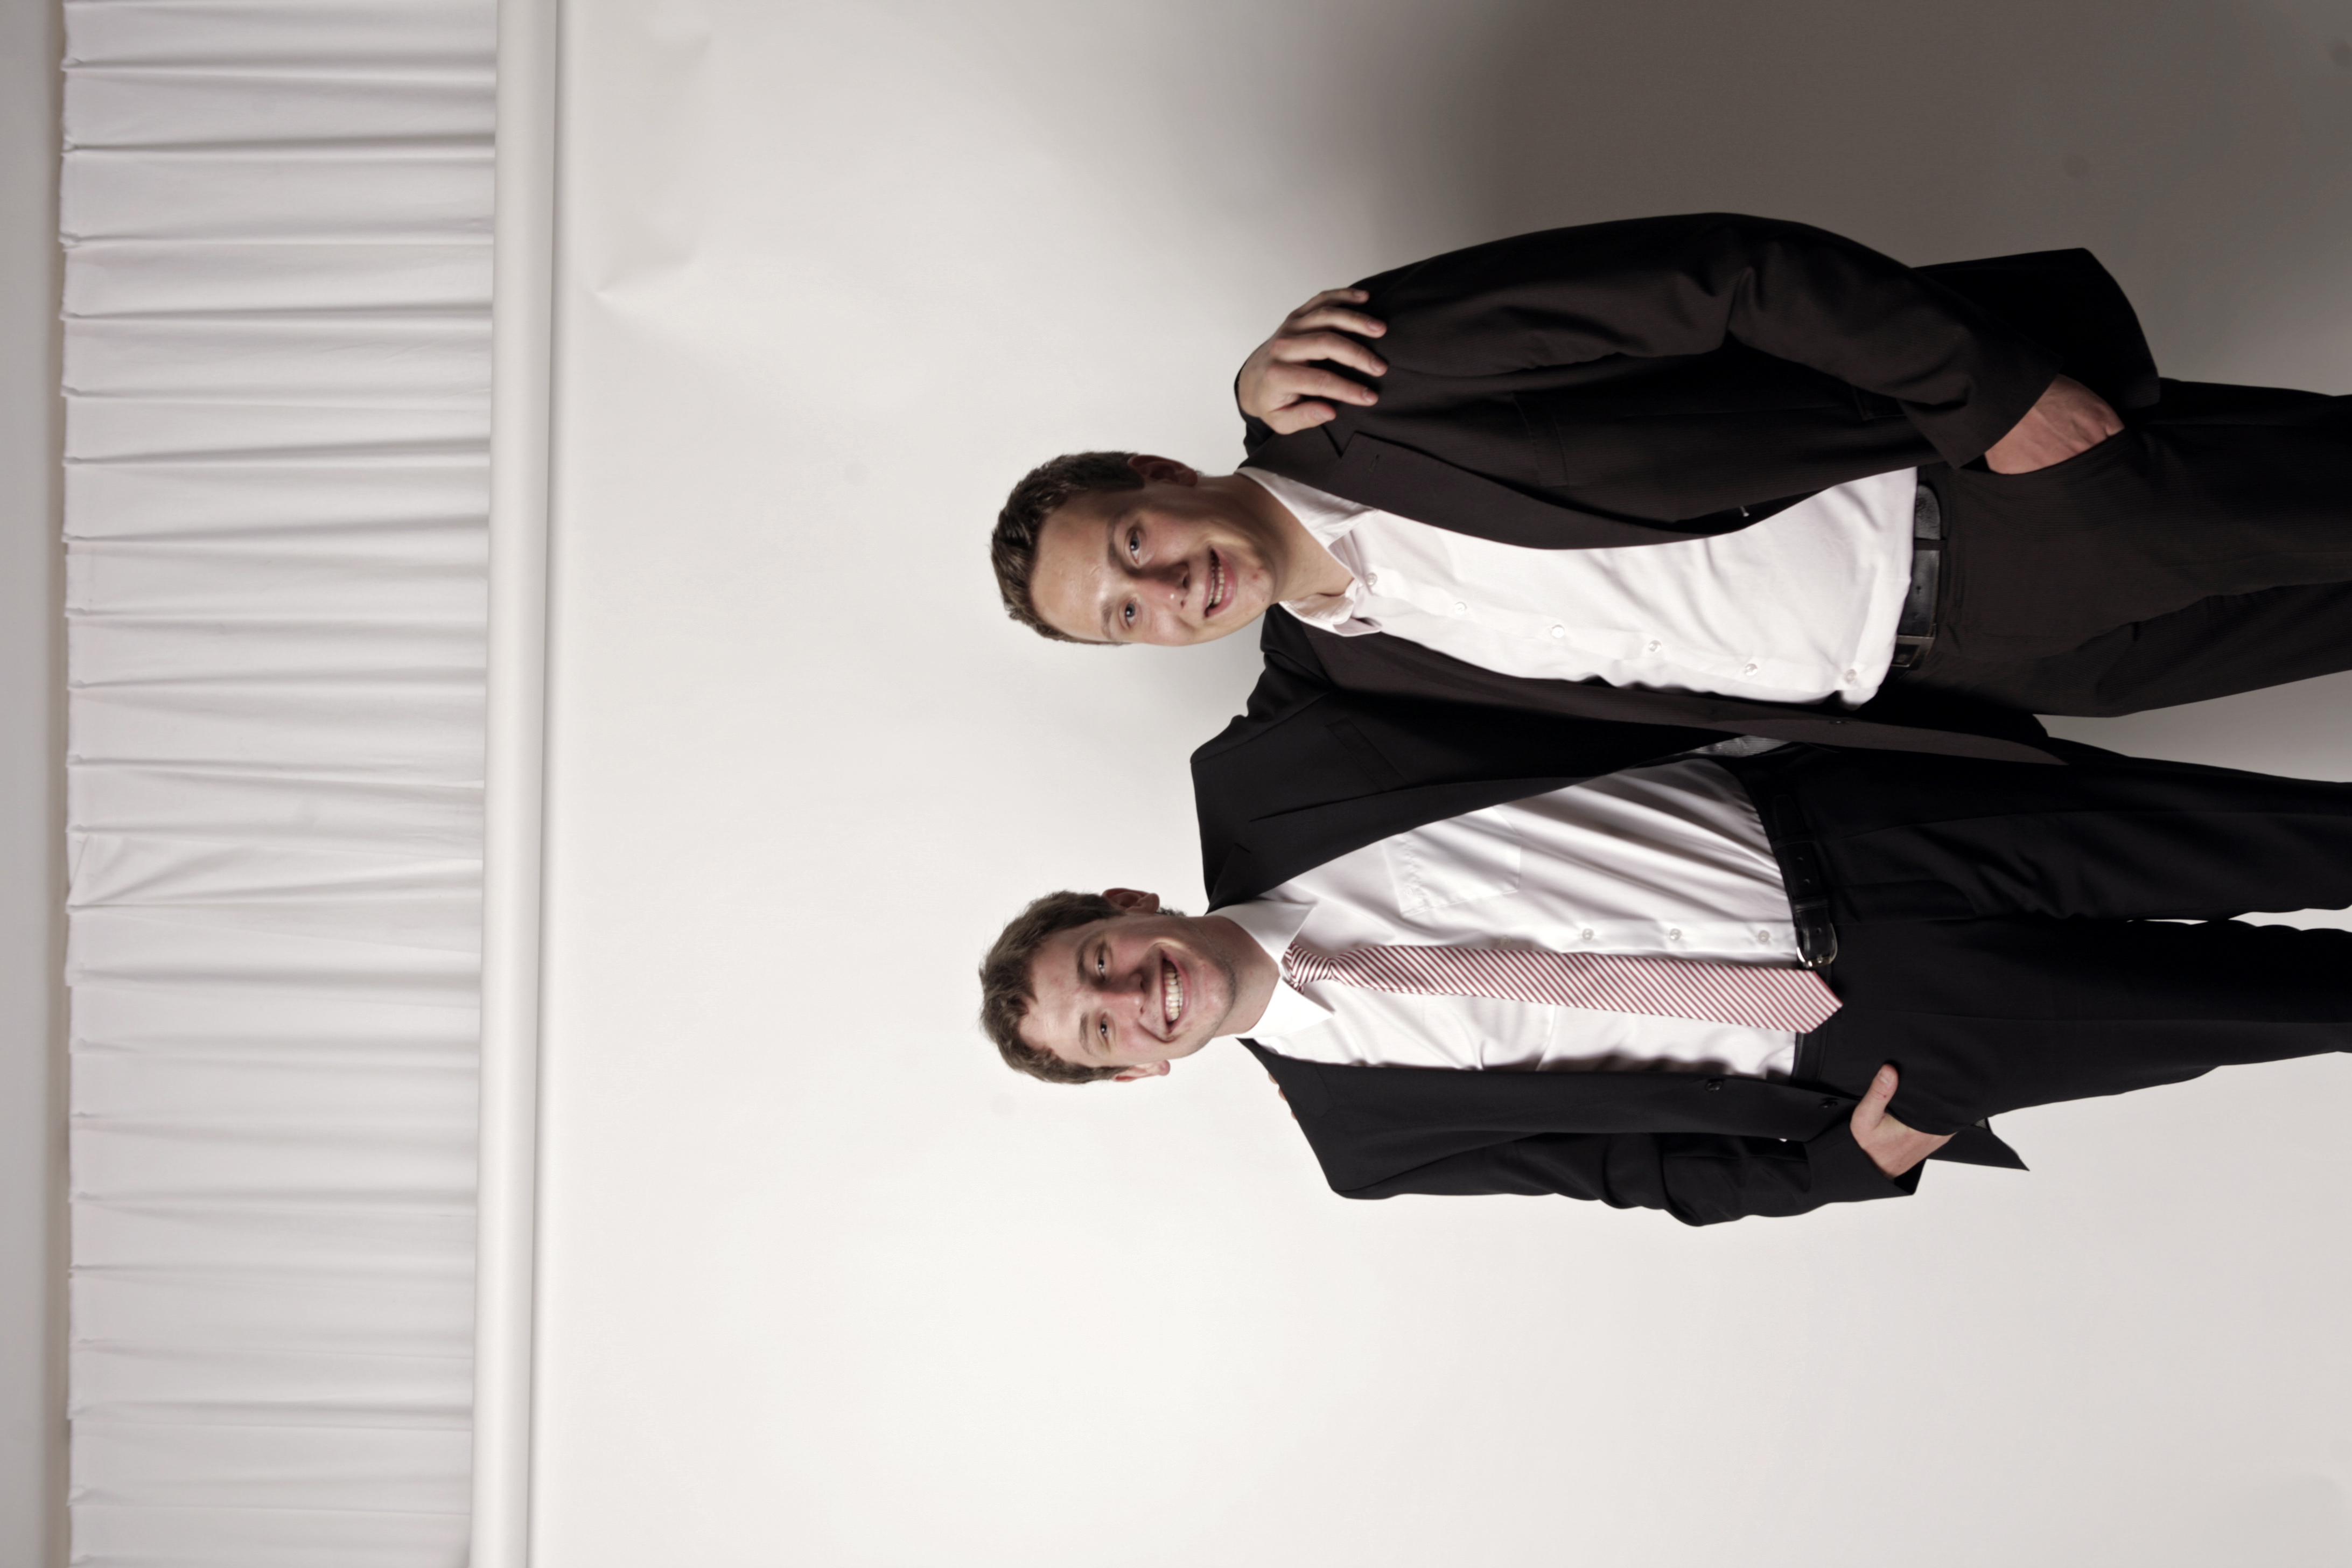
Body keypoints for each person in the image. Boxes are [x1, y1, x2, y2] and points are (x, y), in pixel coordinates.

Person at [975, 653, 2352, 1226]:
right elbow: (1625, 1171)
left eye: (1098, 961)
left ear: (1126, 905)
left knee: (2312, 837)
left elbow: (1322, 586)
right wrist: (1836, 1168)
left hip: (1877, 830)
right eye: (1102, 1031)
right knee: (2302, 1004)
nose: (1131, 993)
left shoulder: (1265, 770)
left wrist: (1262, 403)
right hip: (1883, 1042)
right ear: (1138, 1072)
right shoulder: (1368, 1141)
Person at [989, 213, 2352, 762]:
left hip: (1991, 502)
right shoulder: (1347, 668)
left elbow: (1732, 273)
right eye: (1125, 614)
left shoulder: (1365, 381)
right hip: (1995, 672)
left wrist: (1992, 396)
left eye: (1134, 540)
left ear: (1161, 474)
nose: (1167, 587)